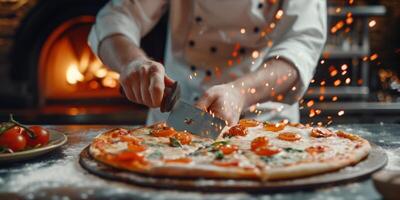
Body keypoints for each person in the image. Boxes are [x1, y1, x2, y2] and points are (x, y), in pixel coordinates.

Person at [88, 0, 327, 125]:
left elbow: (301, 44)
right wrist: (132, 62)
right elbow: (117, 17)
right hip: (177, 117)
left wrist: (240, 93)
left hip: (265, 123)